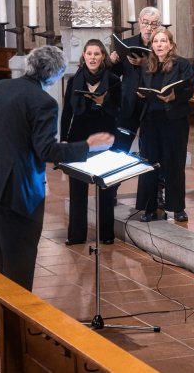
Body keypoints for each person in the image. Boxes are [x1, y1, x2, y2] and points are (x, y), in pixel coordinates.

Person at [0, 45, 114, 290]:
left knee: (1, 263)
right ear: (54, 75)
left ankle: (2, 323)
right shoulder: (43, 102)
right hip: (15, 193)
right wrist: (87, 146)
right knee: (19, 270)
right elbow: (47, 151)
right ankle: (18, 326)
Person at [59, 39, 122, 246]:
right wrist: (64, 139)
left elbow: (119, 112)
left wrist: (104, 103)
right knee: (77, 187)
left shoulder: (113, 80)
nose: (93, 58)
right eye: (89, 54)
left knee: (104, 186)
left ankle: (106, 234)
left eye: (97, 54)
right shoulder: (74, 80)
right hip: (79, 138)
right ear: (83, 56)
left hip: (104, 137)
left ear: (103, 56)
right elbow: (67, 112)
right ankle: (76, 235)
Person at [134, 29, 194, 222]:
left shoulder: (181, 64)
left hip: (174, 120)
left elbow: (189, 90)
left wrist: (174, 96)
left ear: (170, 44)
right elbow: (141, 87)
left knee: (175, 164)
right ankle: (149, 208)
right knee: (149, 164)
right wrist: (142, 94)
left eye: (163, 41)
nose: (159, 45)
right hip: (151, 121)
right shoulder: (146, 65)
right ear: (152, 45)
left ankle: (177, 208)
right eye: (156, 41)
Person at [110, 6, 159, 134]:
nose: (149, 28)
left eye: (153, 24)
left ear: (158, 24)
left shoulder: (162, 46)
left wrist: (145, 63)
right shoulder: (127, 43)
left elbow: (167, 71)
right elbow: (116, 73)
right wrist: (113, 62)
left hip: (153, 102)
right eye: (145, 22)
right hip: (129, 101)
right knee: (121, 144)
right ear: (139, 21)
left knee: (148, 145)